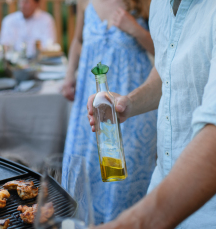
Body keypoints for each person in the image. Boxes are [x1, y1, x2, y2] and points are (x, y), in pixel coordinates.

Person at [86, 0, 216, 228]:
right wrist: (128, 103)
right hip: (164, 190)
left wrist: (130, 224)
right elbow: (167, 69)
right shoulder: (160, 4)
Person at [60, 0, 155, 223]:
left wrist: (134, 29)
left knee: (123, 176)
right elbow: (77, 41)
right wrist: (69, 76)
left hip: (131, 110)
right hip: (89, 102)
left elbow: (165, 51)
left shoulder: (144, 3)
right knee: (86, 168)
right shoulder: (85, 2)